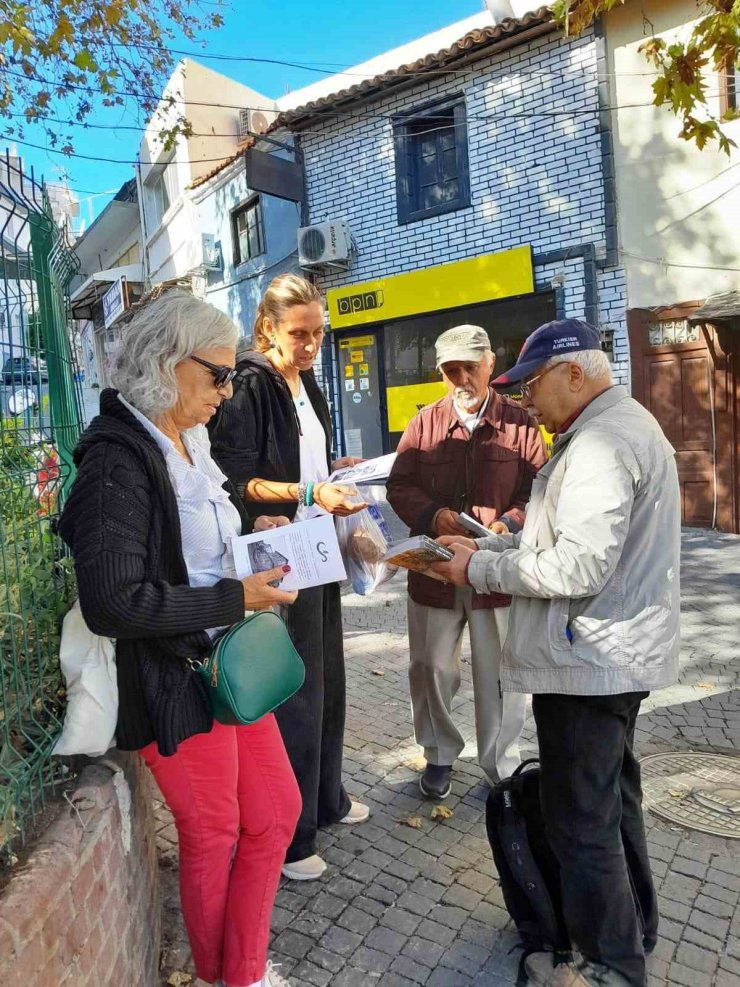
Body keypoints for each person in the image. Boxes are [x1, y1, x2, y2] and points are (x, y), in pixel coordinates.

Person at [57, 290, 301, 987]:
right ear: (167, 362)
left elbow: (194, 551)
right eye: (217, 374)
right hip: (175, 675)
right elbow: (112, 601)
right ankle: (230, 974)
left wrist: (252, 548)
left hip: (223, 664)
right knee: (215, 833)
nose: (227, 392)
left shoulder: (186, 442)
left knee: (277, 812)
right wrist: (235, 596)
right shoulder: (118, 460)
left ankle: (242, 970)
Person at [432, 319, 680, 987]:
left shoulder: (601, 443)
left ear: (576, 372)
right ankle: (636, 928)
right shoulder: (606, 430)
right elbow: (555, 541)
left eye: (534, 385)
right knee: (610, 801)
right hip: (604, 657)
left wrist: (479, 574)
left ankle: (608, 964)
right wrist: (485, 550)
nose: (528, 401)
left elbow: (578, 566)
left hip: (590, 662)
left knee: (581, 821)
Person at [208, 273, 369, 882]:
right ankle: (292, 836)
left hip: (318, 545)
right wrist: (308, 489)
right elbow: (236, 479)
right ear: (267, 328)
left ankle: (327, 799)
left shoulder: (309, 384)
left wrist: (337, 470)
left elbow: (307, 461)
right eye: (299, 334)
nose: (311, 344)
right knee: (295, 689)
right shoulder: (250, 385)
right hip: (280, 552)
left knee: (328, 675)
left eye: (319, 332)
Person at [386, 325, 546, 798]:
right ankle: (437, 754)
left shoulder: (519, 422)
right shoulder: (425, 423)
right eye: (449, 370)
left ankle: (500, 765)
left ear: (490, 365)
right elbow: (399, 485)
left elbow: (537, 489)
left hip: (495, 573)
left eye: (469, 367)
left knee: (501, 678)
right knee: (431, 670)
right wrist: (432, 515)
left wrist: (508, 526)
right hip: (435, 570)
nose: (460, 378)